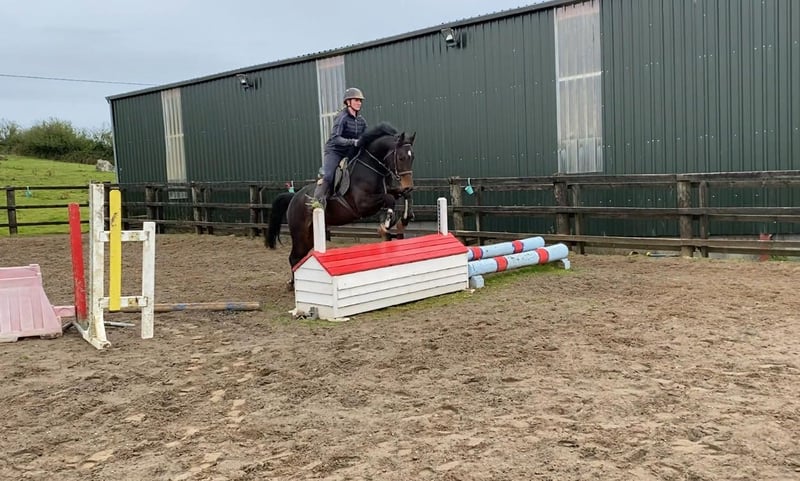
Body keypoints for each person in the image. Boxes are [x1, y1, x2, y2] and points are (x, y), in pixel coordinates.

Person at [312, 87, 368, 207]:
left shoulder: (361, 121)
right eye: (356, 100)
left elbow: (365, 138)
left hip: (350, 151)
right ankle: (317, 201)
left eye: (360, 100)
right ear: (348, 102)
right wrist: (353, 142)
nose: (359, 103)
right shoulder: (341, 117)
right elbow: (335, 138)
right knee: (329, 176)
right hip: (335, 151)